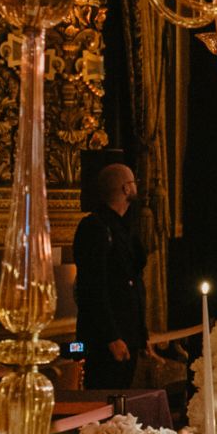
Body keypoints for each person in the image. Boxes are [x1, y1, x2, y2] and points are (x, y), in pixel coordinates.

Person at [72, 159, 149, 388]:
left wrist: (140, 334)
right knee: (104, 398)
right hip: (105, 339)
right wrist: (111, 337)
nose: (136, 187)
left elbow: (133, 280)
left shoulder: (124, 226)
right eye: (134, 183)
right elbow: (92, 287)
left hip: (128, 334)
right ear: (126, 188)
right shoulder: (94, 227)